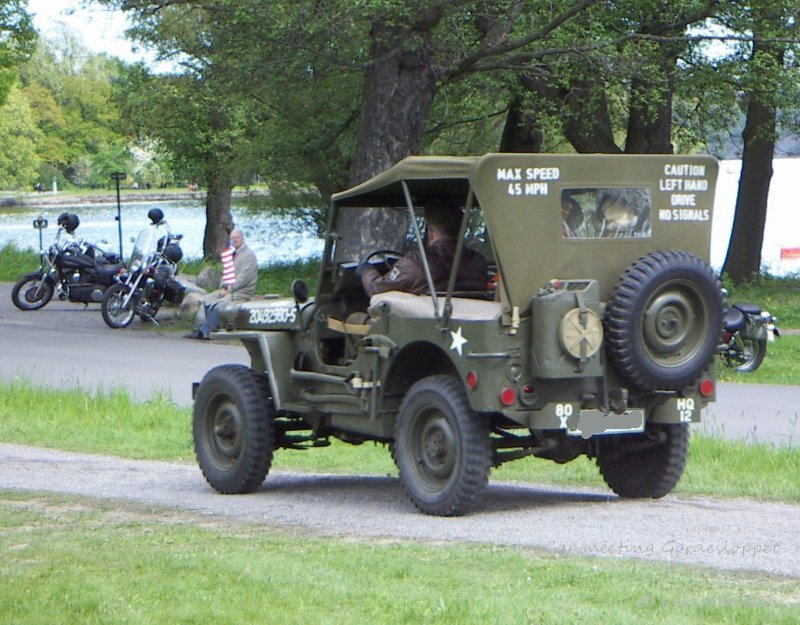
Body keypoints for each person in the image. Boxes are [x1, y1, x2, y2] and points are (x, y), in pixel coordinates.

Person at [358, 200, 488, 297]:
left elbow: (377, 289)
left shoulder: (416, 263)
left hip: (418, 326)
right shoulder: (478, 263)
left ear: (430, 232)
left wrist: (366, 270)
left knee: (355, 317)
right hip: (468, 326)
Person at [186, 228, 258, 339]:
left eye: (237, 238)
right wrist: (223, 287)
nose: (234, 240)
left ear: (242, 238)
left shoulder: (249, 255)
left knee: (219, 305)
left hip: (242, 291)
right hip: (228, 289)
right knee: (207, 300)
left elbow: (244, 278)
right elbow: (226, 274)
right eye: (232, 238)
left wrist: (229, 289)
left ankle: (207, 331)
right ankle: (199, 328)